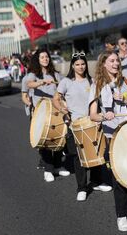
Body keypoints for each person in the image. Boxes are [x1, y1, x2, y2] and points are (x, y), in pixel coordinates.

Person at [88, 51, 127, 232]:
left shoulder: (125, 82)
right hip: (112, 137)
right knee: (119, 176)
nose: (115, 63)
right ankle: (121, 215)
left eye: (117, 60)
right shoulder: (97, 85)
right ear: (103, 64)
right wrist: (104, 116)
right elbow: (92, 115)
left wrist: (126, 100)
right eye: (111, 61)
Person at [53, 51, 112, 202]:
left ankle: (97, 181)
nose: (80, 67)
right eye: (77, 64)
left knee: (97, 153)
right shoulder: (66, 82)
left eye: (83, 64)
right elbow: (56, 99)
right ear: (72, 66)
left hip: (92, 122)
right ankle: (81, 187)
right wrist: (62, 110)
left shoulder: (91, 81)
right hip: (76, 125)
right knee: (78, 157)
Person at [26, 49, 68, 182]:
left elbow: (63, 88)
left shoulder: (55, 74)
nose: (45, 59)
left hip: (55, 111)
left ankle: (57, 166)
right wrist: (41, 82)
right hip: (40, 112)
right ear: (37, 60)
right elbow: (29, 84)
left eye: (46, 57)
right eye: (42, 57)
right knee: (44, 141)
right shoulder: (34, 74)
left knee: (57, 138)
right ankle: (48, 170)